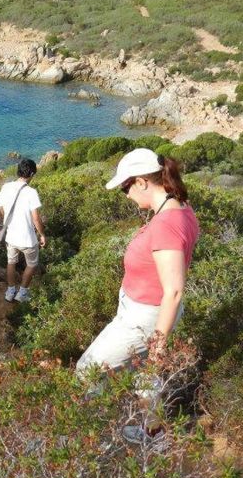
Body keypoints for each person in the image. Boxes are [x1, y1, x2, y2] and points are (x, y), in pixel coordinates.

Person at [74, 148, 200, 444]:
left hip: (144, 317)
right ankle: (154, 433)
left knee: (87, 370)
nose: (126, 194)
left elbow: (174, 290)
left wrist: (157, 346)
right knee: (144, 377)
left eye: (125, 187)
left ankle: (88, 436)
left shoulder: (167, 224)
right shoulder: (180, 206)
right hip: (145, 311)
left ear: (143, 182)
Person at [0, 158, 46, 303]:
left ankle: (10, 291)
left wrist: (7, 219)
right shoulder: (31, 192)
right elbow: (36, 218)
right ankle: (22, 293)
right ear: (31, 173)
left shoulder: (6, 187)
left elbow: (1, 206)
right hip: (28, 239)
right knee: (32, 264)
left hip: (10, 236)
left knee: (11, 262)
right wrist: (42, 234)